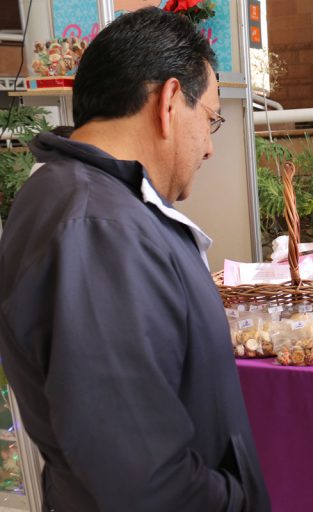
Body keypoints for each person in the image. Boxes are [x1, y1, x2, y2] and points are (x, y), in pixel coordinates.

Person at [0, 8, 270, 511]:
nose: (210, 148)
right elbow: (145, 479)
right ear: (169, 101)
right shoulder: (97, 230)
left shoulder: (93, 203)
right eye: (210, 119)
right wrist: (239, 499)